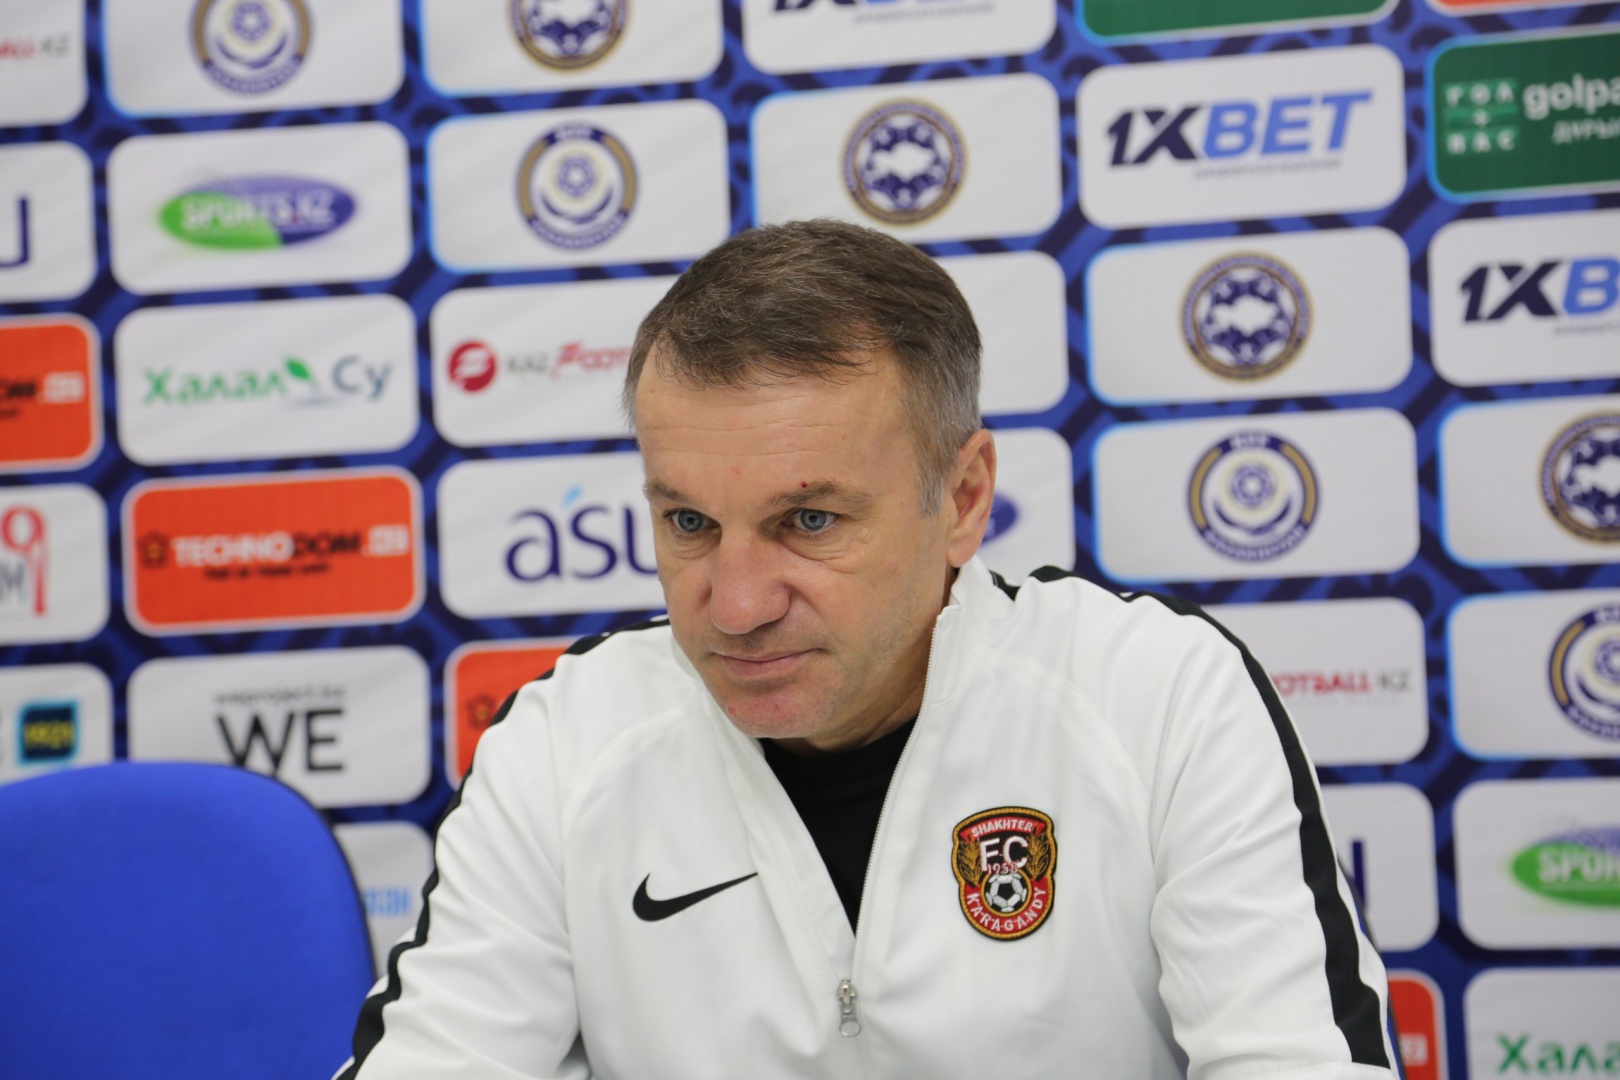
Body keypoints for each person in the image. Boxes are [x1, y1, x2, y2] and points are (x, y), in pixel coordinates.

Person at [336, 220, 1398, 1080]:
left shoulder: (1161, 696)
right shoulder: (566, 743)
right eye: (689, 523)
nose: (735, 605)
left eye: (810, 522)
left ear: (963, 499)